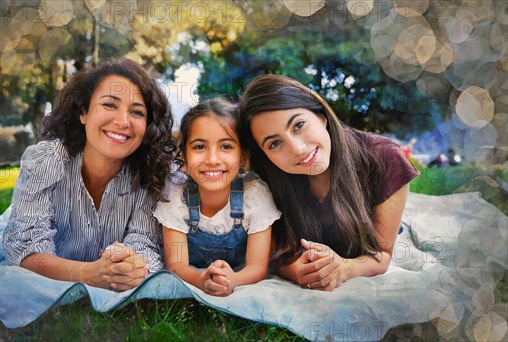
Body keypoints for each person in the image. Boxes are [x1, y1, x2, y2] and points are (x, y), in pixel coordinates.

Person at [3, 59, 176, 292]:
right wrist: (89, 273)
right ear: (83, 112)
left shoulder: (151, 171)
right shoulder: (44, 160)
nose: (122, 121)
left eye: (136, 112)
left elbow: (145, 244)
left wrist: (129, 265)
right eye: (109, 105)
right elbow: (24, 249)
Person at [238, 75, 418, 291]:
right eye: (275, 143)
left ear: (321, 116)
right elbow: (275, 253)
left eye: (299, 125)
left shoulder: (386, 159)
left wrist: (345, 267)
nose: (297, 149)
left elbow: (382, 254)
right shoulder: (267, 178)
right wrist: (296, 270)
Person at [154, 99, 281, 296]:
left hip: (239, 273)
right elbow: (176, 265)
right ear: (184, 159)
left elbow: (257, 268)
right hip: (196, 274)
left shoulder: (255, 196)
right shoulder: (176, 198)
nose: (212, 160)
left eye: (226, 147)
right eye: (199, 147)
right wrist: (201, 280)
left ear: (243, 158)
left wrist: (232, 280)